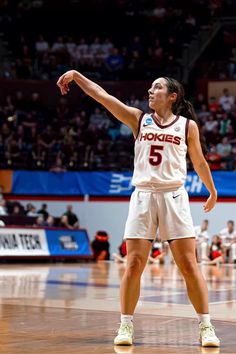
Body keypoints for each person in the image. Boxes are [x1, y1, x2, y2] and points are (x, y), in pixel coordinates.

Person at [57, 71, 220, 347]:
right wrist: (76, 76)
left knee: (189, 266)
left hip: (173, 196)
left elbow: (200, 162)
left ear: (172, 96)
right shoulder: (139, 119)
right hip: (143, 196)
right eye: (150, 87)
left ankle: (206, 326)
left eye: (156, 87)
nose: (150, 91)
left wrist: (212, 190)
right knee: (133, 264)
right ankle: (125, 326)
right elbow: (102, 96)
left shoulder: (187, 126)